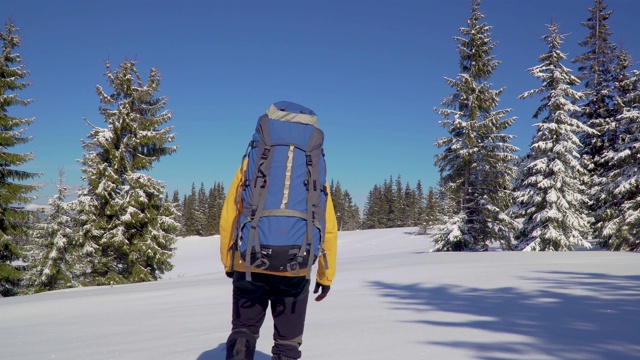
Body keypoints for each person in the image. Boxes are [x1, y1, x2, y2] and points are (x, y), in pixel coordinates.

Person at [219, 101, 338, 360]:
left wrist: (229, 261)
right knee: (287, 344)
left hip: (249, 262)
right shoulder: (314, 168)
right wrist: (325, 276)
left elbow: (231, 212)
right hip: (297, 263)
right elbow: (327, 224)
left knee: (244, 330)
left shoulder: (252, 161)